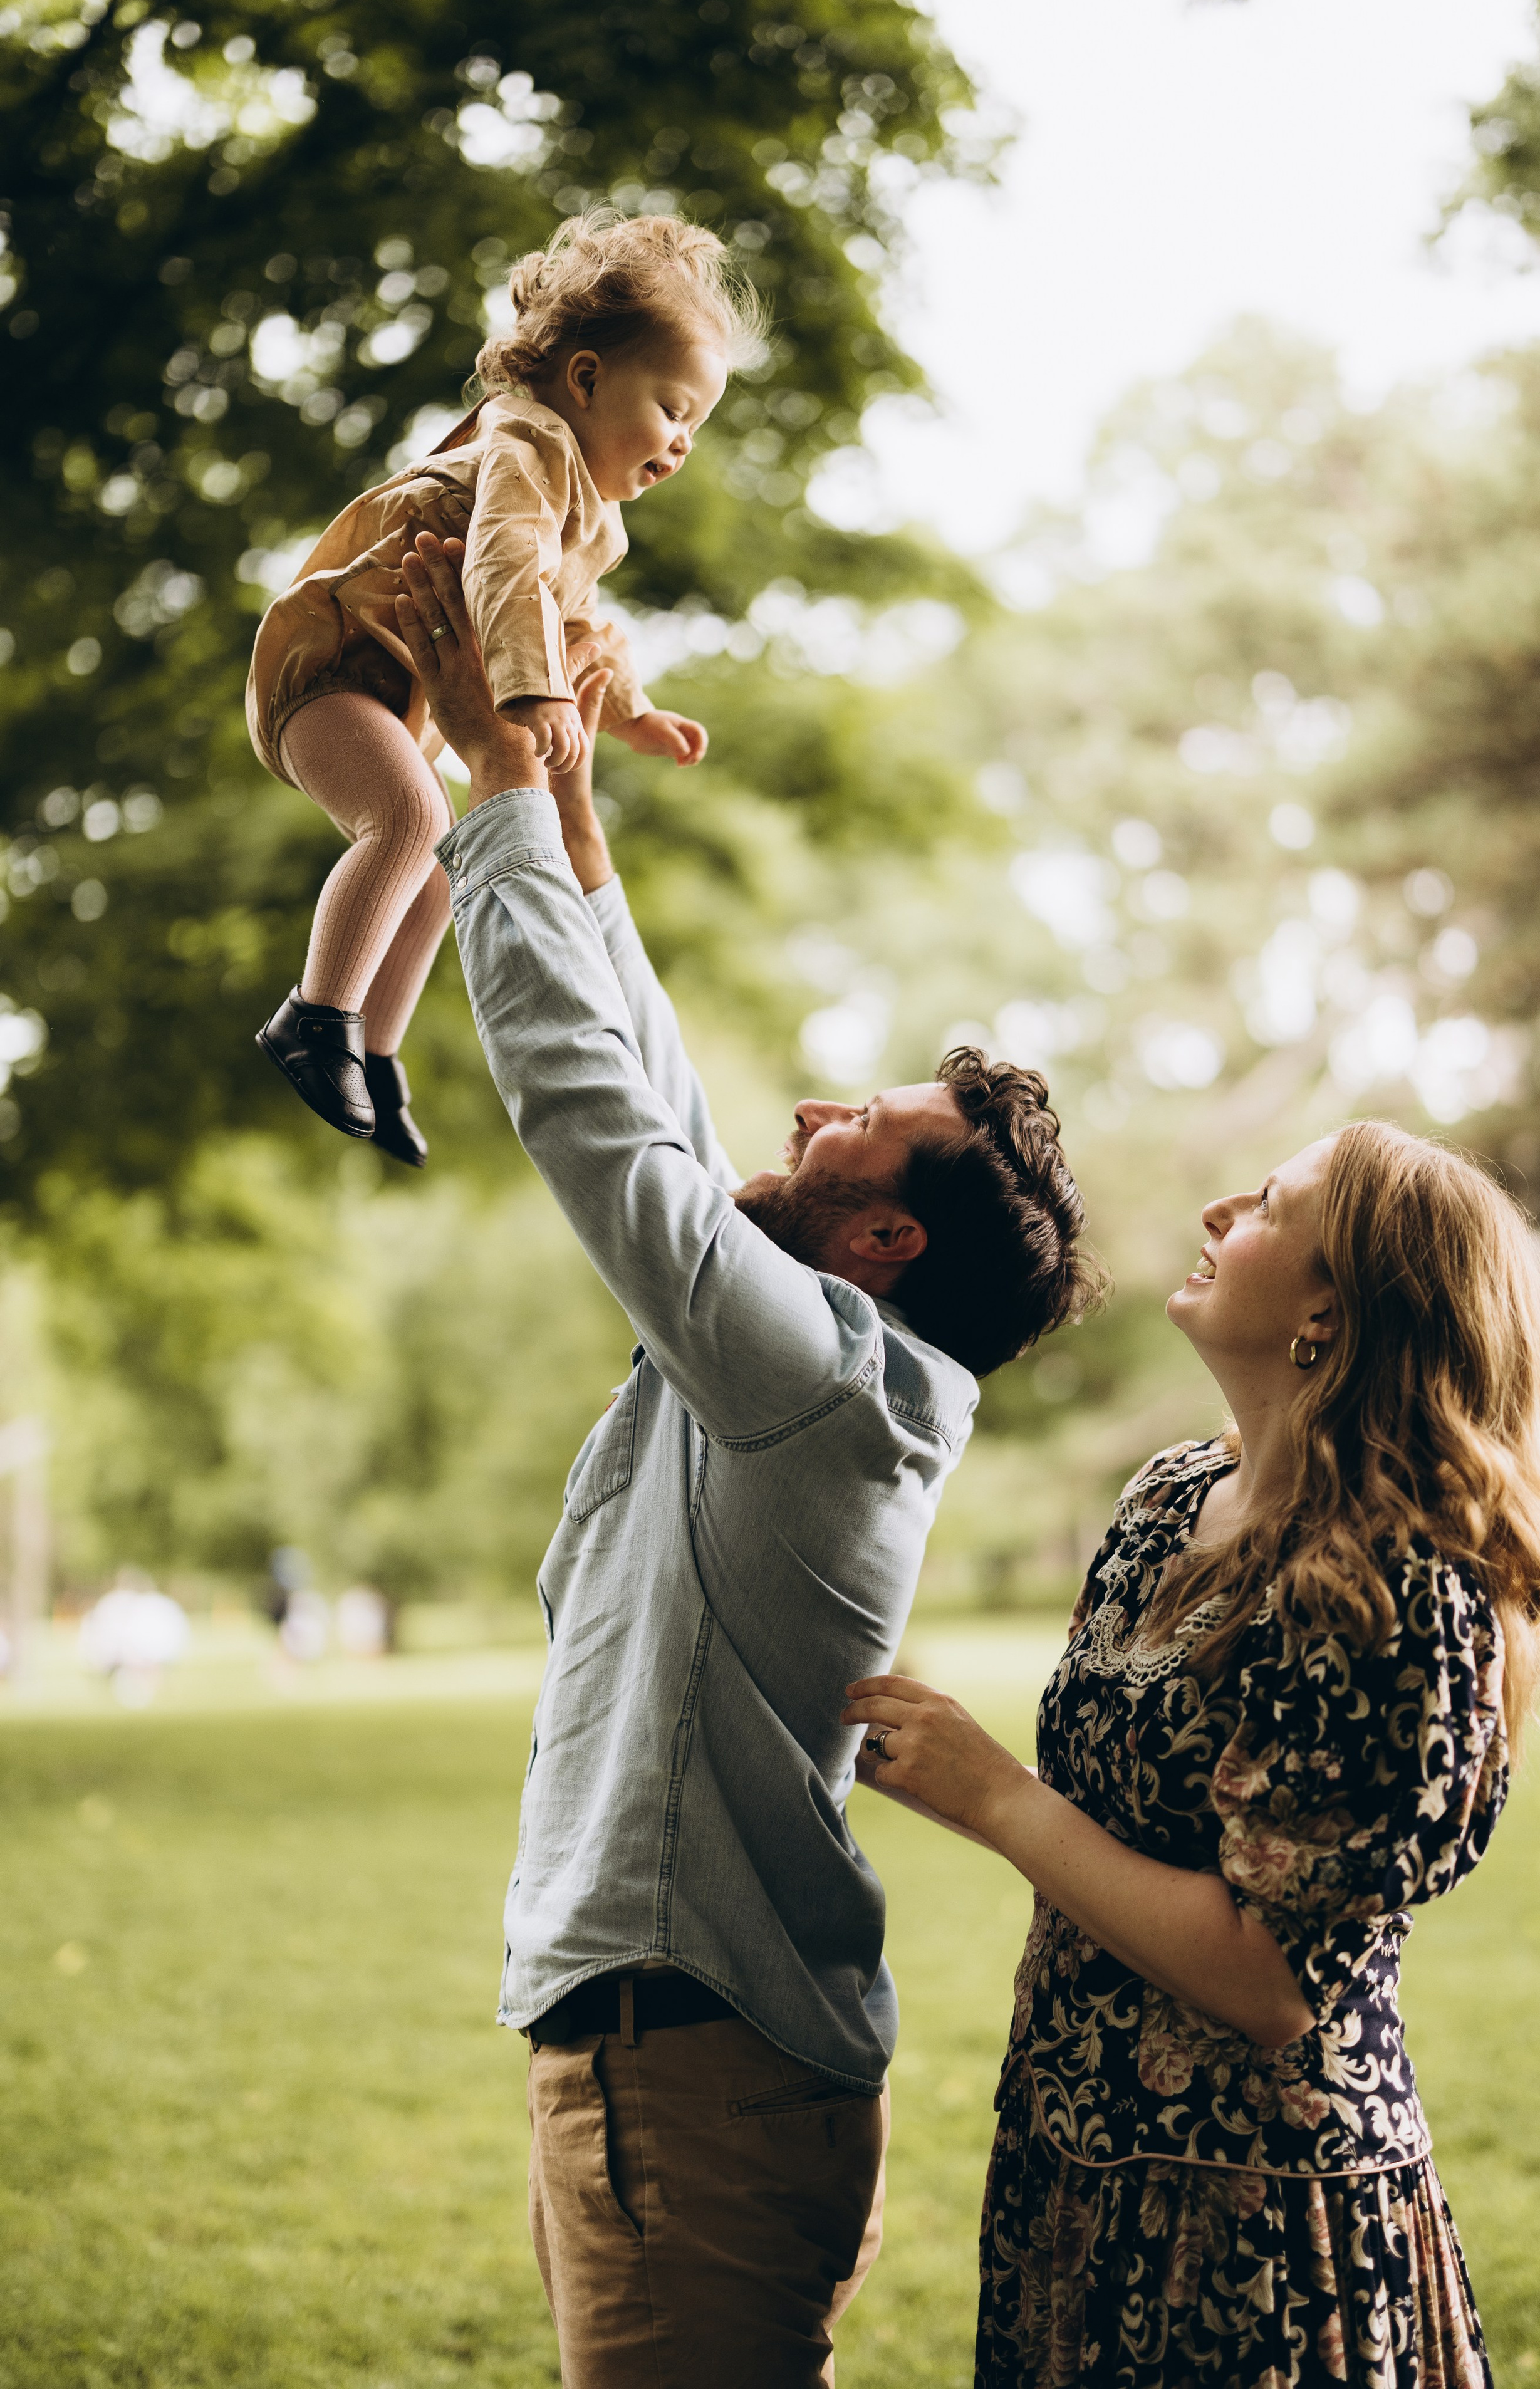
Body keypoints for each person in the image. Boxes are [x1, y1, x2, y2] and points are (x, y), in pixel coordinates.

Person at [388, 531, 1104, 2388]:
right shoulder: (836, 1363)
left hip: (688, 2069)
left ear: (882, 1247)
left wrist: (489, 801)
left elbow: (602, 1123)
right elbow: (676, 1115)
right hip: (695, 2063)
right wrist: (560, 791)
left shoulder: (813, 1384)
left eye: (857, 1124)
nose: (809, 1107)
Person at [845, 1125, 1540, 2388]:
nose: (1214, 1206)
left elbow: (1268, 1982)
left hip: (1249, 2225)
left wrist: (993, 1797)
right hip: (1068, 2161)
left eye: (1267, 1204)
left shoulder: (1400, 1583)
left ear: (1329, 1304)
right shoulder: (1163, 1499)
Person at [246, 208, 759, 1163]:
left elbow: (576, 626)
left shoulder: (586, 518)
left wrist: (631, 710)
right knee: (404, 822)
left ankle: (379, 1052)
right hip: (326, 674)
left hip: (384, 695)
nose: (683, 443)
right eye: (674, 408)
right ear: (588, 377)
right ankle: (314, 1018)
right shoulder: (519, 456)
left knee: (448, 858)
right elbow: (501, 573)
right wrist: (532, 694)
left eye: (697, 424)